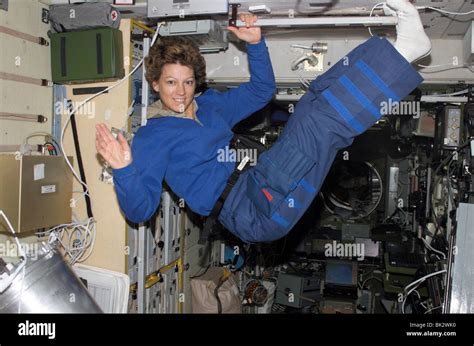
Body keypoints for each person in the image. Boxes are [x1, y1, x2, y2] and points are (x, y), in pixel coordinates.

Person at [96, 0, 431, 243]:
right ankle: (405, 51)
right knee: (318, 124)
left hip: (255, 183)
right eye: (170, 83)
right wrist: (124, 169)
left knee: (312, 101)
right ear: (154, 83)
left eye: (187, 81)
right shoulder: (152, 137)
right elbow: (140, 211)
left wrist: (256, 44)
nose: (181, 92)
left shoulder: (209, 106)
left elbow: (261, 91)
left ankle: (398, 50)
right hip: (251, 211)